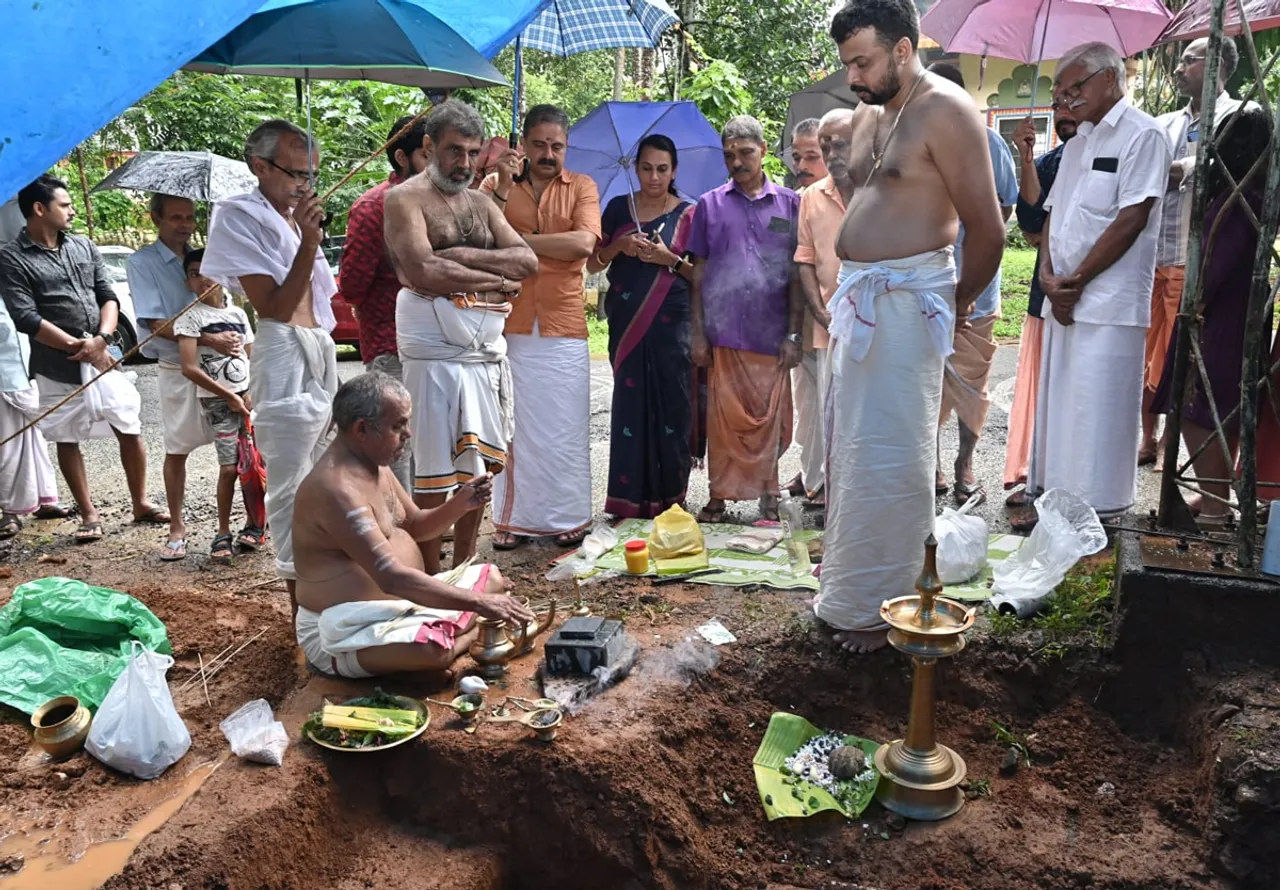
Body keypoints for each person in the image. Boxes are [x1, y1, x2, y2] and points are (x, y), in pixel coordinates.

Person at [812, 0, 1005, 653]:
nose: (854, 77)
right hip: (865, 302)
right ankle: (850, 585)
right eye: (847, 64)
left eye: (862, 61)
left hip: (908, 304)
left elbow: (989, 228)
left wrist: (952, 305)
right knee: (857, 451)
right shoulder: (873, 112)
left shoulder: (946, 111)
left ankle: (882, 607)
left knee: (895, 456)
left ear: (902, 49)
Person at [292, 372, 536, 679]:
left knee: (493, 578)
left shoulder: (373, 464)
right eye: (398, 426)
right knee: (432, 649)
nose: (408, 433)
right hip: (344, 628)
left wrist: (462, 502)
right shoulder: (336, 490)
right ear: (362, 429)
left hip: (405, 604)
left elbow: (417, 527)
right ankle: (460, 636)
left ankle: (451, 630)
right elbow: (391, 578)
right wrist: (480, 604)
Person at [384, 100, 538, 571]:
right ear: (428, 146)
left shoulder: (481, 203)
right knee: (432, 472)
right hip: (431, 355)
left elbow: (528, 262)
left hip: (483, 353)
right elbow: (422, 270)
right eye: (454, 151)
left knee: (478, 467)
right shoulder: (405, 199)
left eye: (473, 153)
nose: (465, 164)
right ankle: (432, 573)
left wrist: (460, 259)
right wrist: (495, 275)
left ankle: (467, 565)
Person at [1026, 42, 1172, 524]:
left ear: (1109, 79)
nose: (1065, 100)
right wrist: (1049, 279)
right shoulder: (1078, 142)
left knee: (1097, 415)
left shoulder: (1143, 135)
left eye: (1074, 88)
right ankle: (1055, 509)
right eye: (1060, 92)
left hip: (1106, 303)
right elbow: (1052, 215)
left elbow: (1133, 216)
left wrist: (1076, 281)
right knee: (1060, 413)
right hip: (1062, 298)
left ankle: (1098, 518)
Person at [201, 119, 339, 613]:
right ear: (259, 166)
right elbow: (277, 307)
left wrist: (306, 234)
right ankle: (301, 608)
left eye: (312, 176)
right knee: (289, 483)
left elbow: (319, 298)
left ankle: (329, 588)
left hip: (318, 342)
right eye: (297, 174)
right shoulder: (237, 215)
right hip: (282, 345)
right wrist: (305, 241)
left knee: (327, 470)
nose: (305, 185)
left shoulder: (291, 215)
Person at [0, 175, 169, 543]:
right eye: (65, 204)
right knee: (66, 434)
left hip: (102, 354)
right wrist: (80, 349)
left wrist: (103, 339)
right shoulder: (11, 257)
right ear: (39, 209)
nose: (73, 210)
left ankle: (140, 502)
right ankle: (89, 515)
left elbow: (108, 295)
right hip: (55, 364)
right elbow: (26, 317)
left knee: (129, 424)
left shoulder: (83, 245)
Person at [481, 105, 602, 549]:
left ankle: (568, 516)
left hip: (563, 324)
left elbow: (583, 244)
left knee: (564, 427)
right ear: (524, 144)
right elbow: (480, 236)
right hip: (506, 321)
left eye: (558, 145)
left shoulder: (582, 187)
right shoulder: (496, 184)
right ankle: (511, 520)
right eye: (540, 144)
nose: (549, 153)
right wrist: (504, 190)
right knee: (510, 423)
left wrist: (516, 242)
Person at [1151, 105, 1272, 519]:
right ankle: (1214, 496)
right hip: (1243, 316)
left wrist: (1191, 311)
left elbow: (1211, 274)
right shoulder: (1259, 196)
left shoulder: (1236, 200)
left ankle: (1216, 509)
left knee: (1199, 409)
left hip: (1217, 321)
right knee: (1225, 407)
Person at [687, 115, 802, 523]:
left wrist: (793, 332)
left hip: (771, 334)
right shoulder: (709, 205)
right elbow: (698, 272)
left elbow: (796, 274)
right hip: (725, 331)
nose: (737, 162)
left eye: (745, 152)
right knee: (724, 423)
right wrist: (698, 334)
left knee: (768, 421)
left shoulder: (790, 204)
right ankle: (719, 496)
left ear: (764, 150)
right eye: (729, 155)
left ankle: (768, 494)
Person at [1140, 38, 1244, 468]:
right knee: (1144, 353)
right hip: (1151, 256)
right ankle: (1148, 438)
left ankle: (1174, 450)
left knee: (1179, 358)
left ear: (1216, 65)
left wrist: (1162, 170)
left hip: (1196, 257)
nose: (1178, 68)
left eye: (1189, 60)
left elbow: (1196, 170)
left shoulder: (1238, 119)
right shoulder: (1163, 123)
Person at [587, 134, 697, 518]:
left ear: (674, 171)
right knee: (631, 405)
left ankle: (672, 499)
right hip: (627, 321)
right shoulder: (619, 209)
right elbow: (593, 263)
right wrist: (620, 247)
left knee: (673, 404)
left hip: (672, 324)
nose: (654, 177)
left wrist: (669, 259)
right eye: (647, 168)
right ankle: (627, 500)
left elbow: (703, 276)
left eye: (662, 169)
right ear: (635, 170)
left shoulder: (689, 214)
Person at [926, 63, 1019, 507]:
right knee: (925, 385)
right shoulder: (916, 141)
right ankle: (933, 466)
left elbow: (1003, 212)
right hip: (926, 290)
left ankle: (964, 467)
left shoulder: (990, 142)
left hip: (976, 290)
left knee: (969, 386)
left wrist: (970, 221)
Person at [129, 194, 228, 560]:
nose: (185, 224)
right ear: (155, 218)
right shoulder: (143, 263)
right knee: (177, 448)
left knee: (232, 447)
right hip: (176, 367)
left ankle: (234, 527)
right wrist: (207, 337)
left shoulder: (205, 258)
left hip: (218, 368)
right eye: (175, 217)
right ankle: (177, 526)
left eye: (189, 217)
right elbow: (155, 324)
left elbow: (226, 304)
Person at [337, 114, 429, 493]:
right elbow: (352, 286)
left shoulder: (450, 203)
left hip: (441, 345)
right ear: (403, 158)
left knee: (435, 440)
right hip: (392, 343)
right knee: (398, 442)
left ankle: (430, 525)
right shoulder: (373, 207)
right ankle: (401, 532)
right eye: (428, 155)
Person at [1004, 103, 1079, 510]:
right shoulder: (1052, 161)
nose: (1063, 109)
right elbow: (1032, 222)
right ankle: (1039, 478)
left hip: (1095, 295)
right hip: (1045, 291)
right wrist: (1027, 158)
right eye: (1058, 101)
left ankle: (1075, 483)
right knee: (1044, 389)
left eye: (1072, 97)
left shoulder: (1120, 153)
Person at [173, 249, 260, 561]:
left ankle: (254, 525)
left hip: (246, 398)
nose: (203, 279)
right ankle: (222, 533)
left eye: (208, 270)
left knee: (253, 464)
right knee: (228, 468)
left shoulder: (237, 314)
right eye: (195, 274)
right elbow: (188, 367)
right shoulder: (190, 318)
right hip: (219, 404)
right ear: (188, 282)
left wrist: (250, 393)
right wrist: (229, 396)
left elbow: (252, 357)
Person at [791, 108, 857, 509]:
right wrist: (819, 312)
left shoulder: (879, 190)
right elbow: (805, 260)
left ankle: (857, 492)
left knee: (862, 414)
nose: (833, 152)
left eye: (839, 144)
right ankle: (823, 489)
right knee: (821, 413)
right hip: (823, 326)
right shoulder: (810, 199)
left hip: (872, 328)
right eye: (826, 145)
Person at [783, 118, 831, 507]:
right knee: (807, 402)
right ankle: (812, 473)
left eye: (811, 156)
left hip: (834, 319)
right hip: (799, 321)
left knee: (833, 403)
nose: (802, 164)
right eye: (797, 156)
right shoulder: (792, 200)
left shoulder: (845, 198)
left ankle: (826, 482)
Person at [0, 297, 63, 538]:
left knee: (35, 439)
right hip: (4, 378)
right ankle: (9, 510)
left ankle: (45, 499)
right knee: (8, 448)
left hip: (26, 373)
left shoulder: (12, 283)